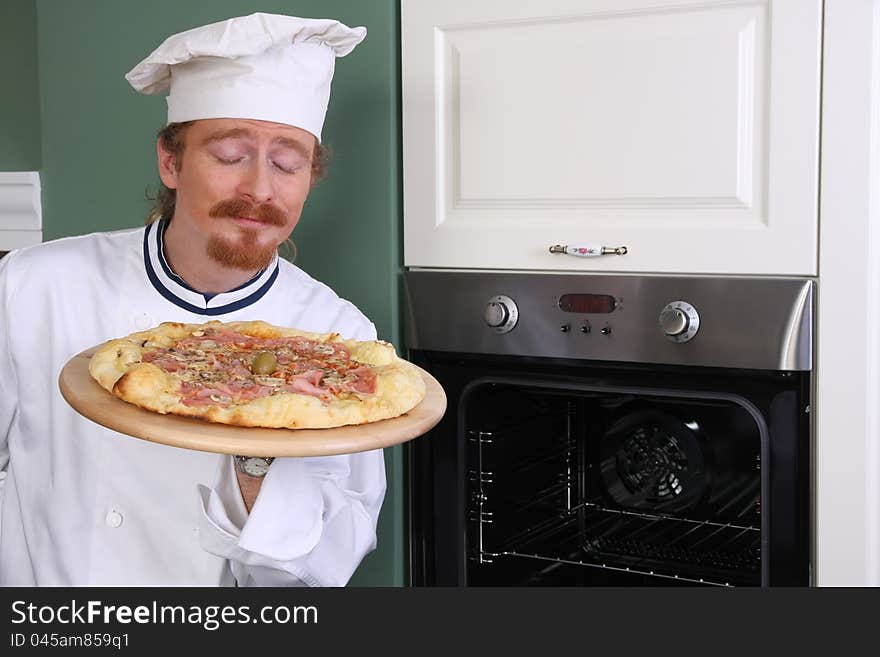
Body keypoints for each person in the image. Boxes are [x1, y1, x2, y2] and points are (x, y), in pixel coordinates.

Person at [0, 13, 386, 586]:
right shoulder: (33, 284)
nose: (259, 188)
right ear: (171, 161)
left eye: (287, 162)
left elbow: (311, 578)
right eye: (230, 154)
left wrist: (259, 453)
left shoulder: (340, 340)